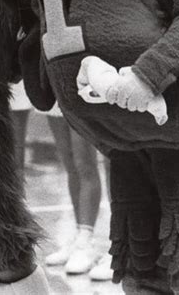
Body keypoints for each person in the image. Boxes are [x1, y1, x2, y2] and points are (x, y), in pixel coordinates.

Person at [44, 107, 113, 281]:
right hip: (54, 88)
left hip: (83, 90)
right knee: (70, 163)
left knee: (87, 163)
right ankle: (80, 240)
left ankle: (115, 245)